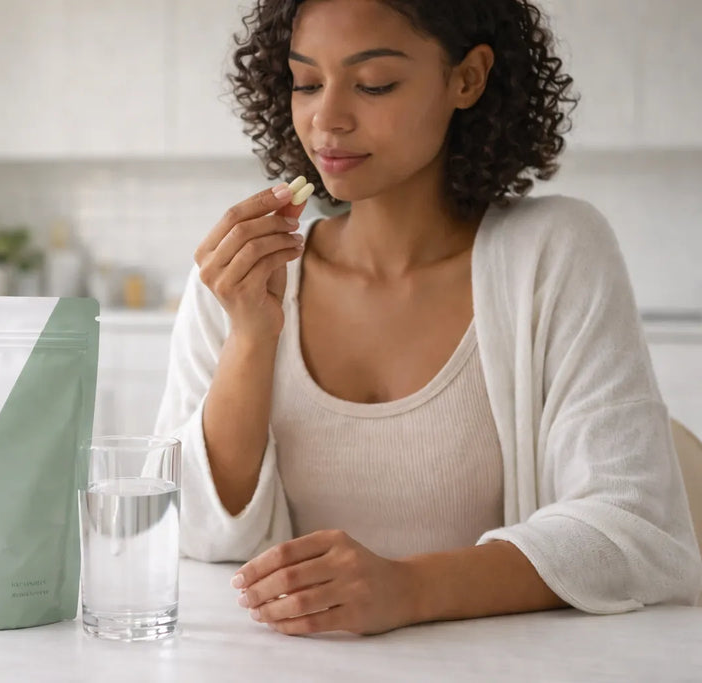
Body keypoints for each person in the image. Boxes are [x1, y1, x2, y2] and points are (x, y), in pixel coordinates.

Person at [154, 0, 702, 637]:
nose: (326, 118)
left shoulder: (555, 251)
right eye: (305, 82)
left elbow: (633, 529)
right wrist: (251, 338)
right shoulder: (244, 280)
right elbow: (186, 533)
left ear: (466, 78)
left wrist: (408, 587)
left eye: (374, 84)